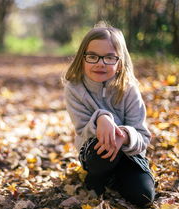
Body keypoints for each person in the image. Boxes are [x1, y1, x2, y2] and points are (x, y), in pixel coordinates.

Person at [63, 22, 155, 207]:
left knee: (144, 196)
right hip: (95, 152)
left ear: (120, 63)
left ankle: (120, 178)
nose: (100, 63)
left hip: (129, 155)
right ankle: (99, 176)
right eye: (93, 57)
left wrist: (124, 137)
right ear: (82, 58)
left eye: (109, 58)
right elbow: (82, 128)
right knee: (101, 155)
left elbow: (143, 136)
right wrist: (102, 117)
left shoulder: (128, 89)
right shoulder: (74, 88)